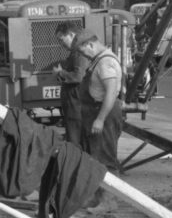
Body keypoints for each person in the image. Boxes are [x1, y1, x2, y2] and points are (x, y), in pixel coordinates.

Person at [74, 30, 123, 172]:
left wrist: (100, 119)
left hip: (104, 114)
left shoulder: (105, 62)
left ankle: (108, 193)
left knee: (105, 161)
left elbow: (111, 92)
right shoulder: (98, 60)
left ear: (90, 44)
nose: (82, 55)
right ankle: (98, 193)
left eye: (81, 51)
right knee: (95, 160)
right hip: (96, 111)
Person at [53, 21, 87, 146]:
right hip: (75, 102)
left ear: (72, 35)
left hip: (77, 103)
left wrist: (60, 73)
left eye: (62, 39)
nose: (61, 44)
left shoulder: (79, 50)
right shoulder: (77, 50)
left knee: (75, 139)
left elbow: (79, 76)